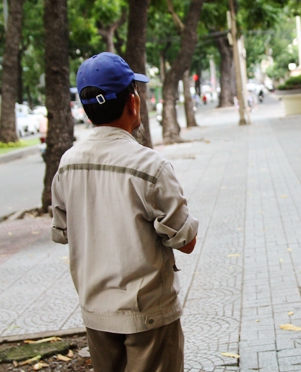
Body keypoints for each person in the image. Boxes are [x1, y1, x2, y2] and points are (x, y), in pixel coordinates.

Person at [51, 52, 198, 372]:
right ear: (133, 103)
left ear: (87, 111)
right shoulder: (151, 167)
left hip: (96, 314)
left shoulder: (67, 165)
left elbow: (63, 231)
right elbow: (186, 242)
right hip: (148, 315)